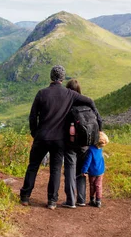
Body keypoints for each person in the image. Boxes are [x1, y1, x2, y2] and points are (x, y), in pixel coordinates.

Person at [21, 65, 102, 210]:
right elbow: (89, 101)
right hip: (59, 140)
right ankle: (52, 201)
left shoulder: (41, 93)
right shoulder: (69, 94)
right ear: (62, 78)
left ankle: (25, 197)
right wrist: (97, 120)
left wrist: (35, 133)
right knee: (55, 170)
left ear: (51, 77)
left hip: (42, 137)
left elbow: (33, 116)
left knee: (33, 166)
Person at [65, 79, 90, 207]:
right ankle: (81, 199)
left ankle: (71, 200)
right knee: (81, 171)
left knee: (70, 169)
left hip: (70, 143)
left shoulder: (67, 105)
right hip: (85, 143)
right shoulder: (87, 103)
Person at [81, 131, 109, 208]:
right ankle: (98, 201)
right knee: (99, 185)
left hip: (92, 172)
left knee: (92, 185)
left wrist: (83, 170)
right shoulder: (100, 149)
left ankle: (92, 200)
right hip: (100, 171)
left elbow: (88, 162)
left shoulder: (91, 150)